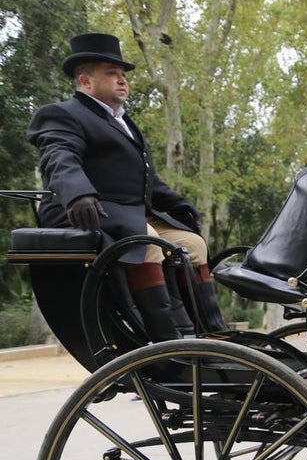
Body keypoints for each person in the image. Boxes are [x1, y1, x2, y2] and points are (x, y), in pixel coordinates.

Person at [27, 33, 226, 339]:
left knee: (194, 246)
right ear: (86, 81)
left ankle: (213, 336)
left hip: (127, 213)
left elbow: (145, 180)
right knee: (146, 243)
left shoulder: (123, 121)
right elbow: (59, 157)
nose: (122, 80)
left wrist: (179, 205)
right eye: (111, 73)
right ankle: (164, 346)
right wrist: (78, 193)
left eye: (123, 75)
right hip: (84, 211)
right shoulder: (63, 114)